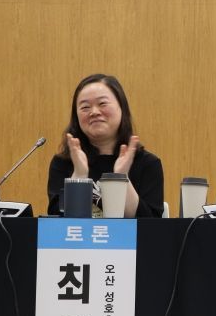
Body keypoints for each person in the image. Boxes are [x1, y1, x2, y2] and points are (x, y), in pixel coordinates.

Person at [47, 74, 163, 218]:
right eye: (85, 107)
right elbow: (57, 222)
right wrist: (79, 176)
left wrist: (121, 178)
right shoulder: (63, 163)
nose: (94, 112)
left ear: (122, 108)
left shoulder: (147, 163)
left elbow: (151, 224)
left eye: (102, 104)